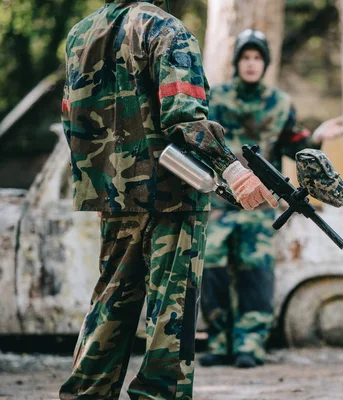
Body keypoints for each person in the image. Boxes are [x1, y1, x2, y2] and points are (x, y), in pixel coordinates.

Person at [59, 1, 276, 399]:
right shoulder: (168, 30)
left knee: (111, 300)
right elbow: (186, 117)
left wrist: (102, 180)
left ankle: (86, 392)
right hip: (171, 195)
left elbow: (70, 115)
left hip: (113, 195)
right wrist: (233, 170)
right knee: (171, 310)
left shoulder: (80, 35)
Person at [199, 29, 343, 369]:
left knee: (256, 274)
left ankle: (250, 345)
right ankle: (220, 341)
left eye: (257, 58)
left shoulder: (279, 103)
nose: (251, 64)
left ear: (265, 63)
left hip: (260, 204)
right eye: (246, 57)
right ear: (237, 62)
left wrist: (317, 139)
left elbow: (292, 145)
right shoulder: (216, 98)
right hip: (219, 202)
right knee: (213, 272)